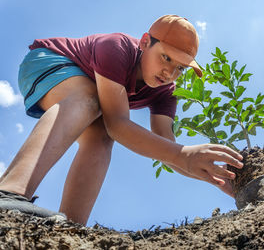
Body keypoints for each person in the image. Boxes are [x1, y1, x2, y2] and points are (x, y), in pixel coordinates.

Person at [0, 15, 243, 225]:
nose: (170, 73)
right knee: (92, 103)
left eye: (180, 68)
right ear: (145, 42)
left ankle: (70, 225)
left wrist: (217, 177)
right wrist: (182, 155)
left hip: (87, 90)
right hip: (48, 61)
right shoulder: (115, 47)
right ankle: (10, 191)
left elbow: (167, 148)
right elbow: (119, 124)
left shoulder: (166, 93)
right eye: (166, 58)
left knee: (102, 135)